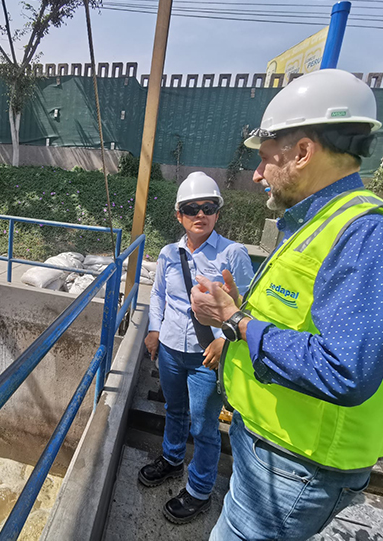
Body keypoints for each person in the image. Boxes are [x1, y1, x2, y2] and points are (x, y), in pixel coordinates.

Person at [190, 69, 383, 540]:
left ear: (302, 152)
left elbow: (344, 369)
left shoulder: (372, 235)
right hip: (272, 447)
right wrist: (241, 309)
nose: (258, 173)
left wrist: (237, 321)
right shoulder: (320, 223)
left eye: (264, 159)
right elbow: (301, 320)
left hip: (297, 466)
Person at [139, 172, 253, 524]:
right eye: (191, 208)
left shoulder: (232, 254)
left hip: (208, 356)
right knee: (175, 410)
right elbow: (158, 295)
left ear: (218, 212)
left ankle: (200, 490)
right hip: (171, 349)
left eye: (208, 207)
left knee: (204, 426)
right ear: (179, 215)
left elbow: (250, 306)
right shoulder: (168, 253)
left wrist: (224, 339)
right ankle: (172, 460)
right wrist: (154, 330)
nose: (199, 214)